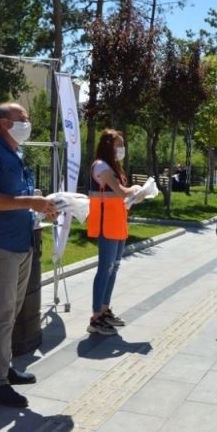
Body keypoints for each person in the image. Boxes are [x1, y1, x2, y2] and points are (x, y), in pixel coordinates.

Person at [0, 102, 57, 408]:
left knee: (10, 313)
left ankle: (2, 367)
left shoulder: (16, 154)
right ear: (4, 123)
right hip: (0, 248)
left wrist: (42, 207)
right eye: (22, 118)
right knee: (2, 315)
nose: (27, 122)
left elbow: (21, 199)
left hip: (21, 246)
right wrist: (31, 202)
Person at [86, 129, 140, 335]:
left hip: (117, 224)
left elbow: (120, 197)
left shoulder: (113, 167)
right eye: (119, 145)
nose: (122, 149)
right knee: (105, 269)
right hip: (106, 225)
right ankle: (95, 318)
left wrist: (135, 195)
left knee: (113, 268)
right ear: (109, 146)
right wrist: (136, 189)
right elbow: (121, 192)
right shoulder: (101, 166)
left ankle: (104, 309)